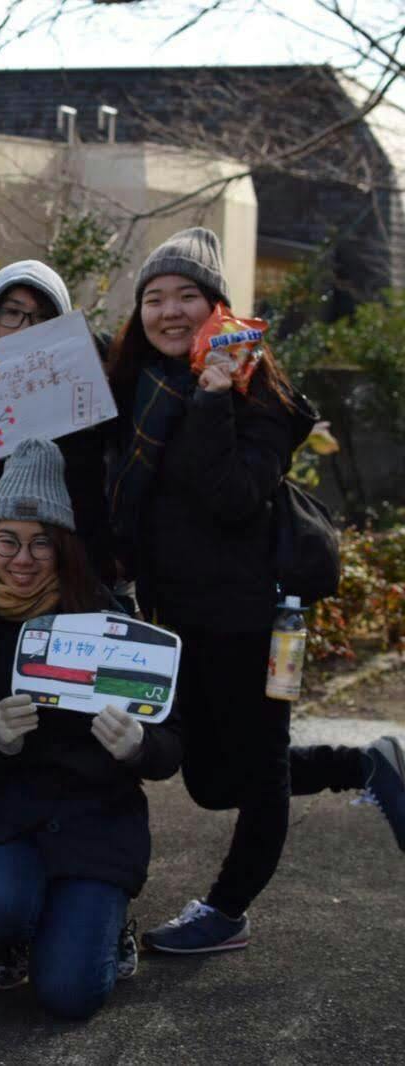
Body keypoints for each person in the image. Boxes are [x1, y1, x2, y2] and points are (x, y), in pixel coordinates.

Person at [103, 227, 405, 954]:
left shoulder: (260, 396)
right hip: (175, 612)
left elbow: (233, 497)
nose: (169, 311)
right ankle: (359, 764)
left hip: (254, 612)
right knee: (210, 780)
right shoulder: (136, 387)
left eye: (187, 296)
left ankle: (228, 909)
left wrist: (213, 397)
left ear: (218, 307)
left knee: (262, 768)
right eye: (154, 297)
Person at [0, 439, 182, 1018]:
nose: (23, 558)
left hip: (97, 825)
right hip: (9, 820)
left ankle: (105, 923)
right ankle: (14, 932)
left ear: (63, 546)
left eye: (41, 541)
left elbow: (172, 745)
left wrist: (139, 747)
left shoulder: (107, 618)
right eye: (7, 540)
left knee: (69, 995)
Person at [0, 261, 116, 578]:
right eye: (12, 313)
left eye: (43, 317)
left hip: (78, 577)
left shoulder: (87, 385)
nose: (26, 328)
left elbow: (101, 501)